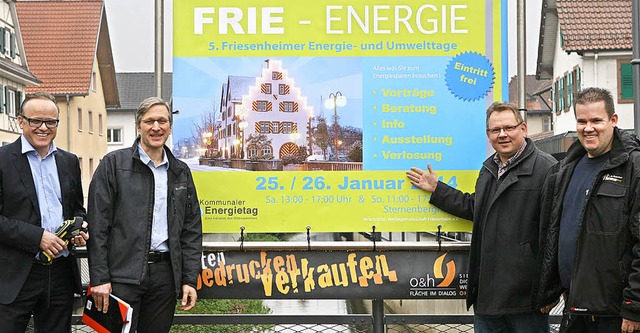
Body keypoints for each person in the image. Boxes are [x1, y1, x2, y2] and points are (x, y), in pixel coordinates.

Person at [406, 102, 556, 332]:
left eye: (509, 127)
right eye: (496, 130)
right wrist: (438, 189)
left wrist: (551, 289)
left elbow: (555, 233)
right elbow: (475, 207)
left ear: (523, 129)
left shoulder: (547, 169)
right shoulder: (488, 170)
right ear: (488, 135)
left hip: (527, 300)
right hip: (488, 298)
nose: (502, 134)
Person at [87, 96, 202, 332]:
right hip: (121, 276)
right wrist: (99, 278)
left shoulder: (180, 171)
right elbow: (98, 226)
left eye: (162, 121)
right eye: (150, 121)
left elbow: (191, 229)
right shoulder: (113, 165)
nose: (156, 127)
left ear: (170, 127)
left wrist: (189, 279)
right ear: (138, 125)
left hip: (164, 276)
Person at [537, 87, 640, 333]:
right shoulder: (567, 168)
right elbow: (556, 232)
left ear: (613, 121)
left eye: (596, 120)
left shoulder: (633, 168)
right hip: (574, 306)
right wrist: (550, 288)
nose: (588, 128)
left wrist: (635, 306)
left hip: (615, 313)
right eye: (582, 121)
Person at [0, 91, 88, 332]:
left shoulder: (69, 161)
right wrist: (37, 237)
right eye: (35, 121)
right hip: (14, 275)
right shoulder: (2, 160)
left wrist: (79, 228)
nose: (43, 127)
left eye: (50, 122)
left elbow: (77, 209)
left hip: (60, 273)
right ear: (20, 121)